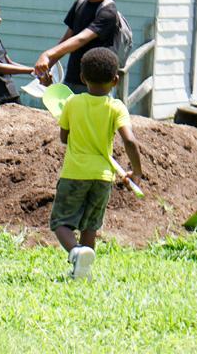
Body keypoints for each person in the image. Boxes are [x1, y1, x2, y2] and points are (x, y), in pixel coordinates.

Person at [51, 47, 143, 280]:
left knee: (61, 223)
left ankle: (75, 252)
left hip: (74, 173)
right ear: (115, 80)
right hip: (103, 176)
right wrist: (137, 172)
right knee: (90, 226)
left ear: (82, 77)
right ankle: (83, 271)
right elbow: (130, 141)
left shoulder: (72, 103)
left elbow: (63, 138)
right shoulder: (116, 107)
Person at [34, 0, 119, 94]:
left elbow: (81, 39)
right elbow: (68, 38)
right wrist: (47, 66)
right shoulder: (80, 4)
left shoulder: (108, 11)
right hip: (73, 77)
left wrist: (47, 54)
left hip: (97, 82)